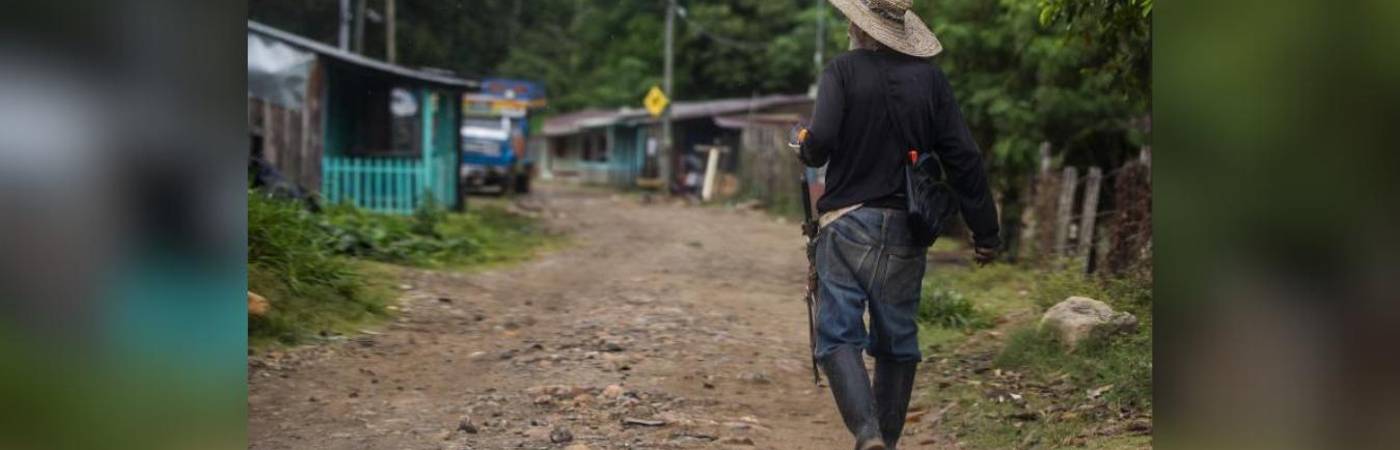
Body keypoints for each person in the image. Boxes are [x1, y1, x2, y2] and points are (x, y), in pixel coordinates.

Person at [796, 0, 1001, 448]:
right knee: (897, 342)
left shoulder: (842, 71)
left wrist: (806, 150)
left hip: (847, 223)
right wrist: (985, 233)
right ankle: (886, 443)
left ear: (858, 25)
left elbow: (822, 141)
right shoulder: (931, 80)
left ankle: (867, 435)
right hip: (908, 227)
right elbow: (964, 158)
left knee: (837, 334)